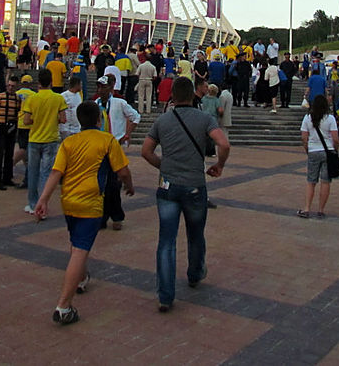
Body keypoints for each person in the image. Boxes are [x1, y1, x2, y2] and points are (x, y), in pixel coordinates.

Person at [35, 101, 134, 325]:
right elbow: (123, 171)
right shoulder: (107, 140)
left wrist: (43, 199)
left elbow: (55, 173)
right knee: (80, 250)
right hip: (91, 203)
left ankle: (81, 278)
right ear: (99, 120)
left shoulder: (69, 142)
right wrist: (129, 185)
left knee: (76, 242)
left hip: (68, 201)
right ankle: (64, 305)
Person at [141, 77, 230, 312]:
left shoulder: (162, 120)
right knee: (195, 234)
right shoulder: (204, 119)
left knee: (166, 241)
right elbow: (224, 143)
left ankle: (165, 295)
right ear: (192, 95)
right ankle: (194, 273)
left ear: (172, 96)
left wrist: (164, 166)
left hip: (168, 187)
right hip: (194, 186)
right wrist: (219, 165)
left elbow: (145, 151)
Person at [94, 76, 140, 229]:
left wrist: (127, 133)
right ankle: (106, 215)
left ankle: (114, 216)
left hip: (114, 146)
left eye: (104, 87)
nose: (101, 90)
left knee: (113, 184)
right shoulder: (95, 104)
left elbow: (136, 117)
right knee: (101, 183)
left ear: (111, 87)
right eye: (99, 87)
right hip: (99, 148)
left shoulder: (119, 103)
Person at [21, 68, 68, 215]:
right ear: (51, 82)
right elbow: (63, 119)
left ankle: (32, 203)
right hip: (51, 138)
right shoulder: (58, 98)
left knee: (33, 172)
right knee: (47, 173)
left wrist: (38, 119)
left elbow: (26, 120)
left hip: (34, 138)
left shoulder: (31, 99)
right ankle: (43, 203)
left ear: (39, 82)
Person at [298, 94, 339, 218]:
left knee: (311, 181)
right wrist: (335, 151)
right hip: (328, 151)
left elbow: (304, 138)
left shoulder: (307, 118)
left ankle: (306, 208)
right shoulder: (330, 118)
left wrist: (307, 149)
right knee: (325, 181)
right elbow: (336, 139)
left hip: (313, 150)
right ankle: (321, 210)